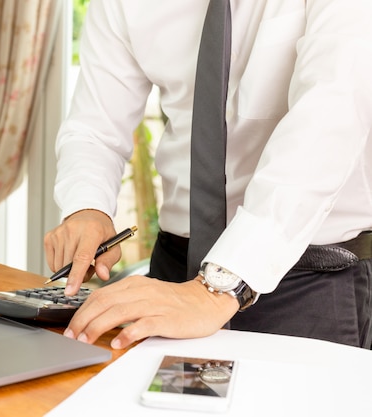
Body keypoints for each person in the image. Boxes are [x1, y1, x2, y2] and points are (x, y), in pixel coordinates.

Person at [43, 0, 372, 350]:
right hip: (173, 271)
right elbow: (94, 129)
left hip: (309, 281)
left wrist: (219, 287)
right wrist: (87, 206)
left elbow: (328, 125)